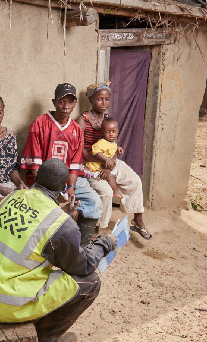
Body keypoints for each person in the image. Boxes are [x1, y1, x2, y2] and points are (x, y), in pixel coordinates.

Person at [0, 158, 117, 342]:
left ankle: (1, 317)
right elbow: (83, 265)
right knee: (90, 283)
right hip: (6, 304)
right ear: (65, 186)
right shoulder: (60, 223)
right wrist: (104, 243)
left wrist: (67, 220)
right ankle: (47, 338)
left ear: (36, 178)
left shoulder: (13, 197)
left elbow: (29, 225)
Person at [20, 83, 102, 244]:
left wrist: (70, 186)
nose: (66, 106)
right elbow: (35, 168)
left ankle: (82, 247)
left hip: (67, 182)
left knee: (93, 201)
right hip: (44, 182)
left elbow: (75, 164)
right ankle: (46, 248)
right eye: (61, 101)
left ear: (75, 104)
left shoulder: (76, 130)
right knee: (49, 210)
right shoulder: (40, 124)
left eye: (70, 102)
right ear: (54, 102)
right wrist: (54, 190)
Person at [76, 82, 151, 239]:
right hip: (92, 165)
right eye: (99, 99)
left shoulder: (109, 119)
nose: (104, 103)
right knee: (107, 192)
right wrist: (103, 162)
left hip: (110, 163)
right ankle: (98, 227)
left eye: (107, 99)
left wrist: (110, 166)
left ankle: (138, 220)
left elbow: (114, 146)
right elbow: (81, 151)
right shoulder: (82, 120)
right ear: (91, 100)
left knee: (135, 181)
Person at [84, 117, 125, 200]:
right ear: (103, 133)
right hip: (97, 165)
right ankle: (114, 191)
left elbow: (112, 148)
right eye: (108, 132)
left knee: (113, 176)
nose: (111, 134)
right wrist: (105, 159)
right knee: (110, 177)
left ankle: (115, 189)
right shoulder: (101, 142)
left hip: (106, 165)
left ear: (117, 132)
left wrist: (118, 148)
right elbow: (95, 151)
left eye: (113, 131)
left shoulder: (112, 142)